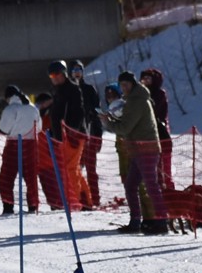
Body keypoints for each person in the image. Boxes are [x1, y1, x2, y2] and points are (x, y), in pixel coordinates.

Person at [99, 71, 168, 235]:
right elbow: (128, 124)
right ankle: (136, 220)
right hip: (138, 149)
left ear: (133, 84)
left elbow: (125, 128)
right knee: (131, 185)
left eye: (126, 84)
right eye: (121, 85)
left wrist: (107, 122)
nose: (124, 88)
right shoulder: (132, 100)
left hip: (147, 148)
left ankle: (161, 221)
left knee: (152, 186)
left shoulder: (137, 100)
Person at [47, 60, 91, 209]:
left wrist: (71, 132)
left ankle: (76, 201)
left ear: (64, 73)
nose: (54, 78)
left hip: (73, 135)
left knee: (69, 168)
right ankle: (85, 201)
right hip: (62, 137)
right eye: (52, 75)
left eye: (57, 74)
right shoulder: (57, 91)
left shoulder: (72, 89)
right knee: (74, 168)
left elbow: (79, 112)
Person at [0, 84, 42, 214]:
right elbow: (38, 128)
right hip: (31, 145)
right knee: (31, 177)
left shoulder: (10, 109)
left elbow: (4, 128)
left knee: (6, 176)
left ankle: (8, 206)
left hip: (13, 144)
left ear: (8, 97)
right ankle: (33, 206)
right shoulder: (33, 108)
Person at [71, 60, 103, 208]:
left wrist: (99, 136)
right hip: (73, 137)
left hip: (90, 135)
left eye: (79, 69)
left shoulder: (89, 89)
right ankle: (79, 199)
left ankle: (94, 199)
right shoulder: (67, 90)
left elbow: (97, 113)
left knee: (91, 170)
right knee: (74, 169)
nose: (77, 72)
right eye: (74, 70)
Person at [141, 68, 174, 193]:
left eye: (148, 79)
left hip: (161, 135)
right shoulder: (138, 94)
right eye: (143, 79)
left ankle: (169, 191)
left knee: (164, 169)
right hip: (145, 137)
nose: (145, 81)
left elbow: (157, 113)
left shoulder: (159, 94)